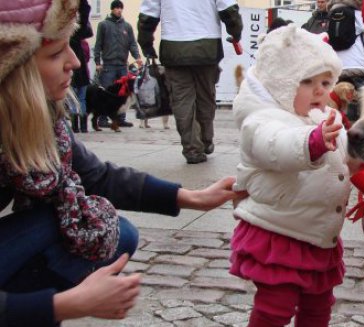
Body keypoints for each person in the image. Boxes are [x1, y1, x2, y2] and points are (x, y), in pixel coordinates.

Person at [0, 0, 243, 324]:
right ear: (15, 67)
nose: (74, 62)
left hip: (178, 48)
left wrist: (193, 198)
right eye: (57, 53)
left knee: (107, 229)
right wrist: (64, 305)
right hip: (197, 48)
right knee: (70, 223)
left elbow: (98, 176)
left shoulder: (42, 120)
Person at [230, 25, 350, 326]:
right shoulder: (261, 119)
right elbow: (276, 146)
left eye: (325, 81)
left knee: (319, 306)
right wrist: (312, 142)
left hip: (318, 232)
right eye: (307, 81)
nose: (320, 90)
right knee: (275, 307)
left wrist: (360, 165)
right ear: (280, 82)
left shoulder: (321, 117)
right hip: (278, 230)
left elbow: (342, 155)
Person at [138, 0, 244, 164]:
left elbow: (148, 15)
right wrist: (235, 32)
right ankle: (205, 139)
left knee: (181, 101)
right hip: (207, 46)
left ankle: (193, 148)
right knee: (206, 97)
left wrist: (146, 44)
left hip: (173, 47)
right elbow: (229, 9)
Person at [93, 0, 142, 128]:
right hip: (108, 65)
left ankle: (120, 118)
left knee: (123, 92)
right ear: (112, 10)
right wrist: (97, 62)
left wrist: (137, 56)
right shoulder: (103, 25)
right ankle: (102, 119)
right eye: (116, 8)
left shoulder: (127, 26)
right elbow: (98, 44)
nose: (119, 10)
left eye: (120, 8)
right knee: (106, 92)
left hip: (122, 65)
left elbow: (132, 43)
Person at [69, 0, 94, 134]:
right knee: (82, 100)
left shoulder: (69, 39)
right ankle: (83, 127)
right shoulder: (80, 42)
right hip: (83, 74)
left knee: (74, 101)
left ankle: (75, 127)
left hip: (74, 75)